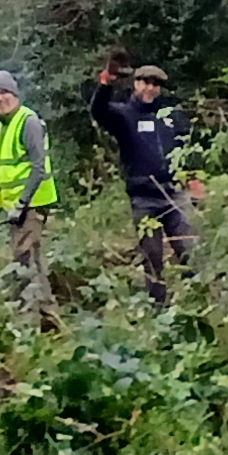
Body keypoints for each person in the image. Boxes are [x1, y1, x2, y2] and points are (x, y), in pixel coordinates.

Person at [89, 59, 201, 303]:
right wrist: (106, 83)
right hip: (144, 199)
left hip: (173, 195)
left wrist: (193, 178)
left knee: (191, 252)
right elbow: (98, 111)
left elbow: (185, 148)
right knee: (153, 259)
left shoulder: (168, 116)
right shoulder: (123, 115)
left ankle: (202, 301)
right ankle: (158, 310)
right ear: (136, 84)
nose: (150, 88)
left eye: (156, 84)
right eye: (145, 82)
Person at [0, 70, 59, 324]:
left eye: (3, 92)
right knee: (31, 261)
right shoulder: (4, 125)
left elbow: (38, 165)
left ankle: (28, 322)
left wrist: (22, 203)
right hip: (18, 209)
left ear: (14, 94)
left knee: (24, 262)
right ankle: (50, 319)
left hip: (32, 205)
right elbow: (3, 171)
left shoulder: (28, 121)